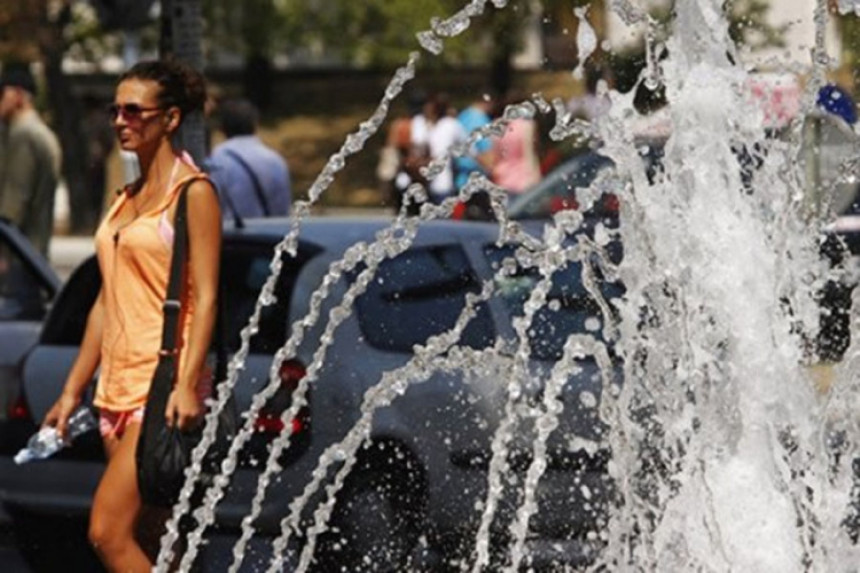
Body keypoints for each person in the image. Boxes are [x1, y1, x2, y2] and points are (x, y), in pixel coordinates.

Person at [41, 58, 221, 571]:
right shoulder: (124, 200)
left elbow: (206, 297)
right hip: (114, 387)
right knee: (154, 534)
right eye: (115, 110)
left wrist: (187, 384)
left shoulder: (193, 194)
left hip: (162, 385)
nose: (121, 121)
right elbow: (106, 299)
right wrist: (73, 389)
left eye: (134, 111)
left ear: (170, 119)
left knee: (107, 531)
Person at [0, 62, 61, 256]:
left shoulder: (23, 135)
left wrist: (3, 252)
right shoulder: (41, 132)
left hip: (18, 255)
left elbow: (15, 201)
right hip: (34, 252)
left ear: (18, 95)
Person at [206, 97, 291, 218]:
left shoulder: (216, 159)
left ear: (222, 127)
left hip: (233, 234)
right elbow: (282, 209)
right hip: (270, 234)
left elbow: (213, 206)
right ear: (255, 124)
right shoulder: (275, 160)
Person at [492, 91, 542, 196]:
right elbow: (529, 153)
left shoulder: (497, 126)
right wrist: (536, 177)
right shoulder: (527, 125)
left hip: (502, 179)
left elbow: (495, 156)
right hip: (523, 180)